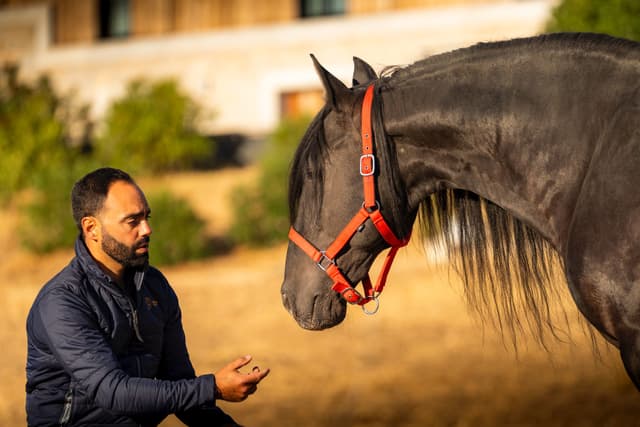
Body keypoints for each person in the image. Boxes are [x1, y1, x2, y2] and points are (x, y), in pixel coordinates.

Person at [25, 167, 269, 426]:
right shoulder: (62, 301)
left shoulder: (154, 286)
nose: (147, 229)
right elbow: (113, 391)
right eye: (133, 221)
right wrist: (213, 388)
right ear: (92, 228)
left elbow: (180, 385)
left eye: (146, 217)